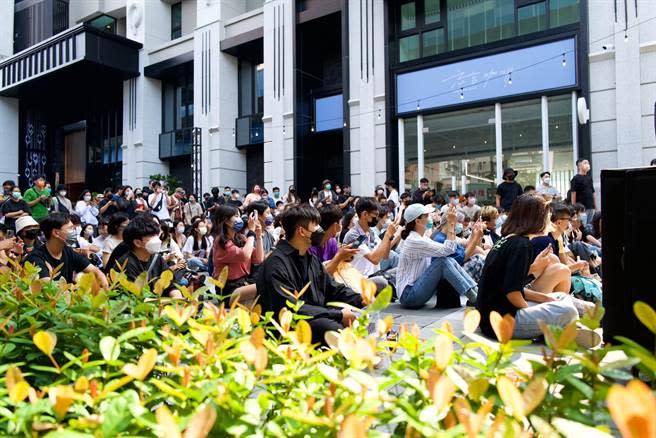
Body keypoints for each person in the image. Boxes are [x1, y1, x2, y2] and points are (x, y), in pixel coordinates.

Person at [476, 194, 594, 341]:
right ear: (535, 217)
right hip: (501, 322)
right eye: (546, 215)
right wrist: (534, 310)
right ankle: (563, 329)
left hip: (492, 317)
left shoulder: (510, 240)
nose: (548, 220)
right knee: (567, 311)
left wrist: (546, 299)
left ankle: (569, 326)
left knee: (561, 297)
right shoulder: (521, 245)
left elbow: (512, 286)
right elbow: (512, 294)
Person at [257, 204, 365, 345]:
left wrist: (361, 298)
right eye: (316, 226)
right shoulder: (275, 264)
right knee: (332, 328)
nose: (320, 230)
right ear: (302, 231)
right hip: (286, 328)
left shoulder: (310, 258)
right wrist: (338, 315)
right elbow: (290, 308)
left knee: (358, 319)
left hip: (312, 315)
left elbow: (332, 288)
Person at [396, 204, 478, 309]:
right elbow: (448, 249)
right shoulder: (414, 240)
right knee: (443, 262)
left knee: (446, 260)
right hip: (408, 296)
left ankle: (477, 293)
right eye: (426, 216)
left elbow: (447, 251)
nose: (430, 218)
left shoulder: (421, 237)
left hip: (414, 291)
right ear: (418, 221)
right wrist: (451, 223)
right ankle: (474, 298)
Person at [23, 213, 108, 288]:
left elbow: (96, 272)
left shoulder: (68, 251)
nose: (74, 232)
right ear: (56, 233)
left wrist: (105, 289)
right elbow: (50, 288)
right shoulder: (35, 258)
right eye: (70, 228)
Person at [115, 215, 181, 298]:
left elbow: (171, 285)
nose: (157, 239)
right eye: (152, 235)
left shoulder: (157, 258)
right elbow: (135, 298)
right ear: (137, 243)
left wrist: (178, 300)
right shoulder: (126, 264)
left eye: (156, 234)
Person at [342, 197, 399, 291]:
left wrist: (390, 236)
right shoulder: (353, 235)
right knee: (382, 281)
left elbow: (385, 256)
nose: (377, 218)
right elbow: (374, 259)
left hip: (374, 275)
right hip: (360, 280)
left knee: (400, 271)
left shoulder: (371, 232)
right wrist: (387, 234)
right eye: (375, 215)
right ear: (364, 214)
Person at [211, 205, 263, 299]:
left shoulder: (241, 238)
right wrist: (251, 232)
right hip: (228, 288)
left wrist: (258, 237)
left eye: (240, 216)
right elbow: (245, 256)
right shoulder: (221, 242)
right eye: (236, 216)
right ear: (226, 220)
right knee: (263, 288)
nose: (240, 220)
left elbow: (258, 259)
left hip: (244, 282)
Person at [308, 205, 359, 276]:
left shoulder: (332, 242)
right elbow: (318, 278)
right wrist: (339, 257)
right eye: (340, 222)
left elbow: (338, 263)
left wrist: (346, 257)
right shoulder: (309, 247)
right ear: (335, 226)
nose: (341, 225)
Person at [570, 158, 596, 225]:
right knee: (582, 225)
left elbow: (593, 192)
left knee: (590, 225)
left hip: (591, 207)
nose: (587, 165)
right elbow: (573, 193)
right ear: (579, 166)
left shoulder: (589, 178)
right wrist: (574, 208)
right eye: (585, 163)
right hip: (581, 208)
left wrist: (595, 206)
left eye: (588, 163)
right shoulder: (576, 178)